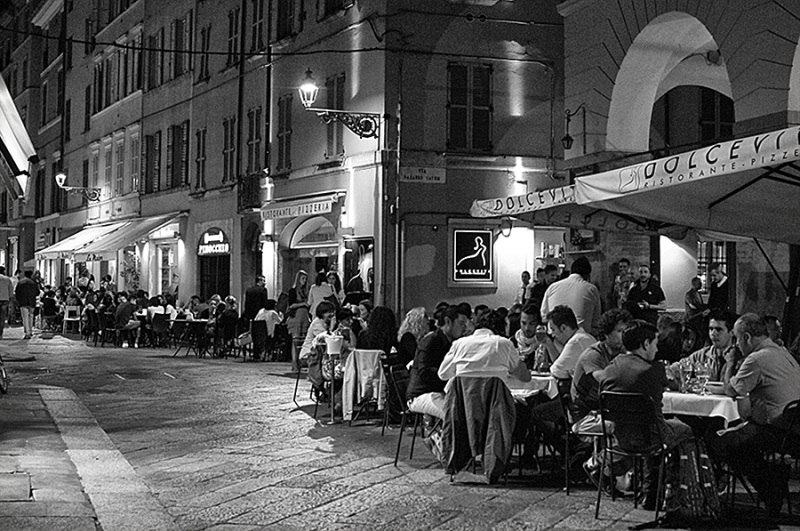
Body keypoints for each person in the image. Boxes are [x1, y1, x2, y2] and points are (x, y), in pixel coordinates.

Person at [711, 313, 800, 518]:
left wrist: (730, 362)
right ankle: (773, 480)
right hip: (792, 425)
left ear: (747, 337)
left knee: (720, 442)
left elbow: (731, 390)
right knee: (736, 438)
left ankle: (770, 486)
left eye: (737, 339)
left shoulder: (756, 359)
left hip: (778, 429)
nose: (736, 344)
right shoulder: (782, 352)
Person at [598, 320, 693, 510]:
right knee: (687, 430)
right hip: (653, 437)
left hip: (620, 437)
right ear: (646, 344)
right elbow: (673, 384)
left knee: (650, 428)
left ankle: (650, 491)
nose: (657, 349)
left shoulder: (611, 367)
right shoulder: (653, 369)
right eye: (655, 343)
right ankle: (677, 495)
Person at [406, 304, 471, 421]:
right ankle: (441, 433)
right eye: (461, 323)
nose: (464, 328)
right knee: (453, 414)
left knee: (470, 410)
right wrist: (449, 376)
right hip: (421, 394)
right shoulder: (431, 340)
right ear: (448, 322)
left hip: (440, 392)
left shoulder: (453, 342)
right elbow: (425, 372)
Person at [438, 309, 531, 387]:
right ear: (502, 326)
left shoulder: (458, 344)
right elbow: (525, 377)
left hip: (464, 401)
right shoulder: (505, 344)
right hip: (496, 401)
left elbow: (443, 374)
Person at [669, 310, 736, 382]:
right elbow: (675, 368)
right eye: (711, 329)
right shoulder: (702, 355)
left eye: (718, 329)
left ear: (731, 332)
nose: (713, 333)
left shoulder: (739, 355)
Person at [540, 257, 602, 334]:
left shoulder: (552, 287)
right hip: (580, 336)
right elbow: (596, 321)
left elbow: (544, 317)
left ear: (570, 272)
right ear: (587, 276)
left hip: (554, 335)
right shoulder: (591, 289)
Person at [287, 270, 310, 372]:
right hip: (296, 317)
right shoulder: (293, 291)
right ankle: (294, 364)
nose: (304, 281)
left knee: (302, 341)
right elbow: (291, 305)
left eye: (305, 279)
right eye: (302, 278)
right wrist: (303, 304)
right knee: (295, 342)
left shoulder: (305, 291)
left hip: (304, 317)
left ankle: (300, 363)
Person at [15, 271, 39, 339]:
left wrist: (18, 300)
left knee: (25, 317)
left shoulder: (20, 282)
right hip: (32, 302)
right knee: (31, 316)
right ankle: (30, 331)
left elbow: (17, 292)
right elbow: (37, 292)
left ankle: (27, 333)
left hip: (23, 302)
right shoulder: (33, 282)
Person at [0, 266, 13, 339]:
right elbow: (11, 290)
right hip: (4, 300)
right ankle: (0, 333)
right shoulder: (7, 279)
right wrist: (11, 300)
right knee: (2, 317)